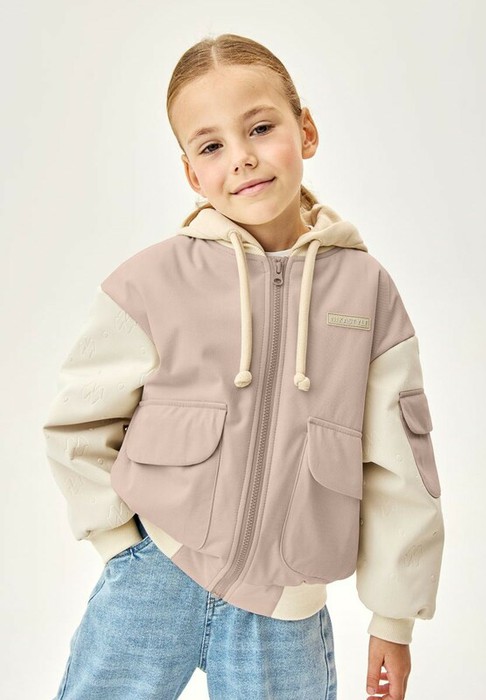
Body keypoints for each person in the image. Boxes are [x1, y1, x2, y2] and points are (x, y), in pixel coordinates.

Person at [43, 32, 444, 700]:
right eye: (211, 146)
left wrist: (393, 617)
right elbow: (78, 421)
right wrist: (119, 544)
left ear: (305, 130)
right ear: (191, 174)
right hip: (153, 574)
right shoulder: (152, 282)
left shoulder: (366, 291)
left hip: (285, 607)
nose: (242, 157)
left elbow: (402, 464)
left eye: (260, 128)